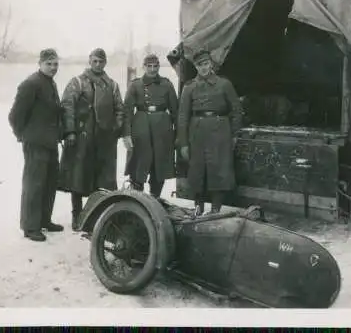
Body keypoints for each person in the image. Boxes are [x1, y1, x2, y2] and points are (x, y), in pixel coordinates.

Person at [58, 48, 124, 230]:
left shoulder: (112, 85)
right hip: (83, 138)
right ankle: (77, 215)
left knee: (103, 180)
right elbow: (67, 106)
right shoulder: (78, 82)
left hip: (104, 140)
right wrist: (70, 131)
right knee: (78, 177)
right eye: (94, 61)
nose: (97, 65)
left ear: (105, 63)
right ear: (89, 61)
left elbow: (120, 109)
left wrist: (115, 128)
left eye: (101, 62)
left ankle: (100, 217)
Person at [8, 48, 65, 242]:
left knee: (49, 182)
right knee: (34, 184)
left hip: (50, 142)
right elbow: (15, 115)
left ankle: (44, 220)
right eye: (49, 64)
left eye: (55, 64)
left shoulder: (50, 84)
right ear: (40, 64)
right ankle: (30, 227)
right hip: (36, 143)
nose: (53, 67)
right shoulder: (30, 84)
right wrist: (22, 135)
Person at [177, 49, 243, 215]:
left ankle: (215, 208)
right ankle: (198, 206)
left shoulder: (224, 84)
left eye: (206, 64)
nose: (204, 68)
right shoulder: (189, 87)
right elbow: (183, 116)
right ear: (196, 67)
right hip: (197, 134)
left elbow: (236, 110)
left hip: (220, 133)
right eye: (200, 65)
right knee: (197, 170)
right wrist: (183, 143)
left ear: (211, 64)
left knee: (218, 169)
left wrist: (234, 135)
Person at [122, 53, 178, 198]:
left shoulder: (167, 84)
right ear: (144, 67)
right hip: (141, 129)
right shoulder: (135, 85)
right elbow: (127, 111)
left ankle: (155, 199)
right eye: (149, 66)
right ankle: (137, 200)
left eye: (155, 66)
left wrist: (177, 136)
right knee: (139, 165)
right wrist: (126, 134)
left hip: (162, 131)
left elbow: (175, 111)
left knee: (159, 166)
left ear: (159, 67)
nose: (152, 70)